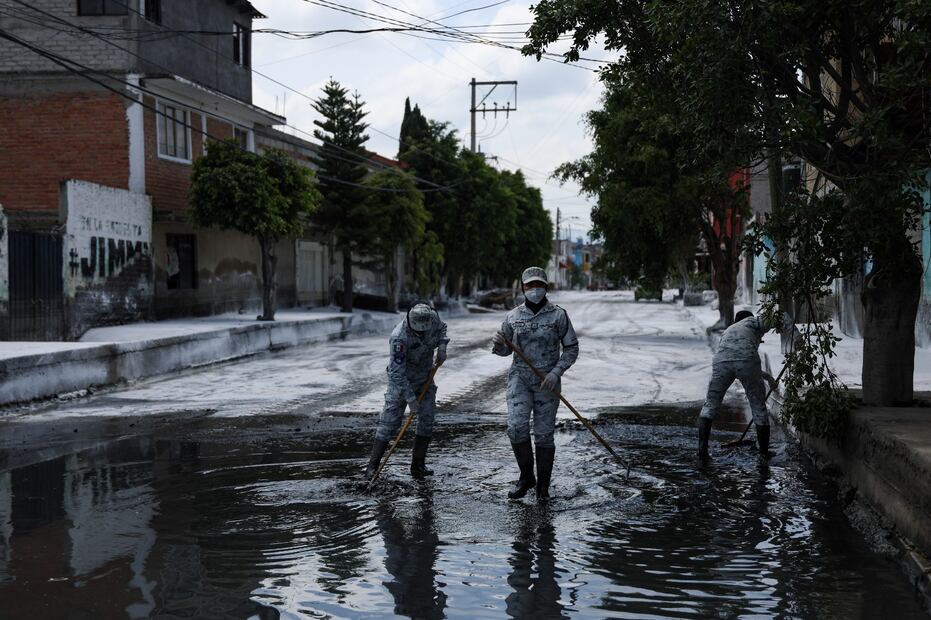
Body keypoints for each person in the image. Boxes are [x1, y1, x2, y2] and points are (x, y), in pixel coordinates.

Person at [492, 267, 579, 501]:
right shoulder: (512, 317)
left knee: (543, 435)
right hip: (520, 379)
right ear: (523, 288)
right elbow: (502, 351)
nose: (534, 290)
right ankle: (526, 477)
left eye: (538, 285)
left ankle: (543, 488)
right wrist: (499, 343)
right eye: (530, 286)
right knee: (516, 427)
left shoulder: (558, 316)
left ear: (546, 287)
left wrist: (556, 372)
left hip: (547, 382)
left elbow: (572, 348)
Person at [365, 303, 449, 479]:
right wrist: (411, 400)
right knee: (389, 422)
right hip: (401, 381)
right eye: (418, 331)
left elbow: (442, 329)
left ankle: (418, 465)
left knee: (427, 418)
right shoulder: (399, 338)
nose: (421, 334)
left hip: (424, 377)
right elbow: (396, 374)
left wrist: (442, 347)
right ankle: (372, 467)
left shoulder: (432, 318)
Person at [698, 309, 783, 457]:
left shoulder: (728, 331)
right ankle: (764, 453)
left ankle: (701, 450)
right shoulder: (752, 322)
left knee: (710, 405)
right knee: (758, 407)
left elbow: (734, 359)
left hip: (721, 362)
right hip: (746, 361)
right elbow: (745, 364)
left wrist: (768, 378)